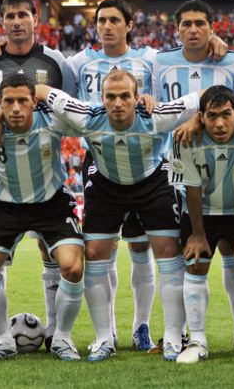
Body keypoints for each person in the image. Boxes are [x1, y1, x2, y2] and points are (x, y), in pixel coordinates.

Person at [65, 0, 230, 352]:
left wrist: (214, 41)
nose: (106, 27)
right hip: (102, 159)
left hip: (151, 159)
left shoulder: (152, 58)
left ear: (129, 25)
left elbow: (186, 63)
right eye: (101, 21)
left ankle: (145, 326)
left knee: (148, 247)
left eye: (114, 20)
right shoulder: (77, 61)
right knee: (100, 252)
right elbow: (51, 89)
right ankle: (105, 333)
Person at [34, 70, 204, 362]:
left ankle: (174, 336)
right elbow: (38, 88)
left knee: (167, 253)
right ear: (101, 99)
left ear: (138, 98)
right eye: (110, 96)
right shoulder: (87, 115)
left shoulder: (157, 116)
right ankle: (104, 338)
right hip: (106, 184)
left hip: (152, 182)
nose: (118, 103)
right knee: (96, 253)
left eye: (125, 96)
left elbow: (206, 96)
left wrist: (195, 118)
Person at [0, 0, 77, 355]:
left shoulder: (56, 61)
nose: (16, 21)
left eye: (23, 15)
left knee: (55, 257)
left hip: (45, 170)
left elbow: (71, 109)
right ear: (2, 22)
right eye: (9, 16)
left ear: (35, 18)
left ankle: (56, 332)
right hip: (1, 178)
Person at [152, 0, 234, 351]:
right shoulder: (161, 62)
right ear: (176, 28)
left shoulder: (232, 62)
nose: (193, 30)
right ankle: (183, 335)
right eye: (186, 24)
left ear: (212, 27)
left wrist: (198, 117)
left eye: (200, 23)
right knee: (187, 253)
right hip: (177, 168)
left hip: (233, 165)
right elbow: (157, 108)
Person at [0, 73, 85, 363]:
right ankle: (3, 340)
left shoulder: (52, 120)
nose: (16, 108)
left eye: (23, 101)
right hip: (5, 207)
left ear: (34, 101)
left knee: (72, 266)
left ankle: (62, 337)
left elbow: (88, 117)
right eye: (9, 102)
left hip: (51, 203)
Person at [169, 85, 234, 364]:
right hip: (201, 212)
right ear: (201, 117)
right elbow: (191, 189)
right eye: (212, 116)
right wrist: (197, 234)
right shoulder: (185, 139)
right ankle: (197, 341)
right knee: (195, 262)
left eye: (226, 115)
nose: (219, 123)